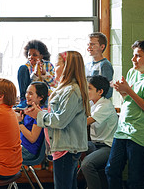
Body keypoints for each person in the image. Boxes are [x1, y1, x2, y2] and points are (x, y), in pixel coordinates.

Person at [25, 51, 90, 189]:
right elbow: (58, 114)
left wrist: (39, 115)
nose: (55, 68)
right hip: (62, 146)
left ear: (67, 67)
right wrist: (39, 113)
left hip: (66, 147)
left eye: (58, 64)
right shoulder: (66, 88)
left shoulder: (71, 91)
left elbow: (60, 120)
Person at [105, 40, 144, 189]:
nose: (133, 59)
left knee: (134, 179)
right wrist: (123, 91)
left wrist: (129, 91)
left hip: (139, 134)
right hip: (122, 130)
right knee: (111, 170)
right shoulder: (132, 72)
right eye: (133, 55)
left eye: (138, 56)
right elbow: (128, 100)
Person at [81, 75, 118, 189]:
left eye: (89, 88)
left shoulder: (104, 105)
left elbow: (84, 123)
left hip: (107, 147)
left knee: (87, 165)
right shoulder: (94, 104)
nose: (86, 91)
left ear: (100, 91)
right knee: (71, 148)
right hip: (95, 145)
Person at [16, 40, 57, 108]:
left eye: (34, 55)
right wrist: (34, 75)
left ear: (41, 56)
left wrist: (45, 74)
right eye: (29, 55)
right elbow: (28, 85)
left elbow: (54, 84)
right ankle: (23, 100)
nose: (31, 57)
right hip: (31, 95)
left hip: (44, 96)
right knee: (22, 68)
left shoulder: (48, 65)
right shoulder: (26, 67)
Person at [15, 81, 47, 160]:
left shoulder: (39, 114)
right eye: (26, 93)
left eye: (30, 94)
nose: (26, 96)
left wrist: (19, 123)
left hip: (27, 151)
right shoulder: (30, 110)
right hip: (20, 146)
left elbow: (32, 138)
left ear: (40, 97)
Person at [86, 32, 114, 99]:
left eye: (92, 44)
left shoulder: (104, 65)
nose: (89, 47)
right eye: (88, 45)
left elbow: (108, 90)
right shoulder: (87, 65)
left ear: (102, 47)